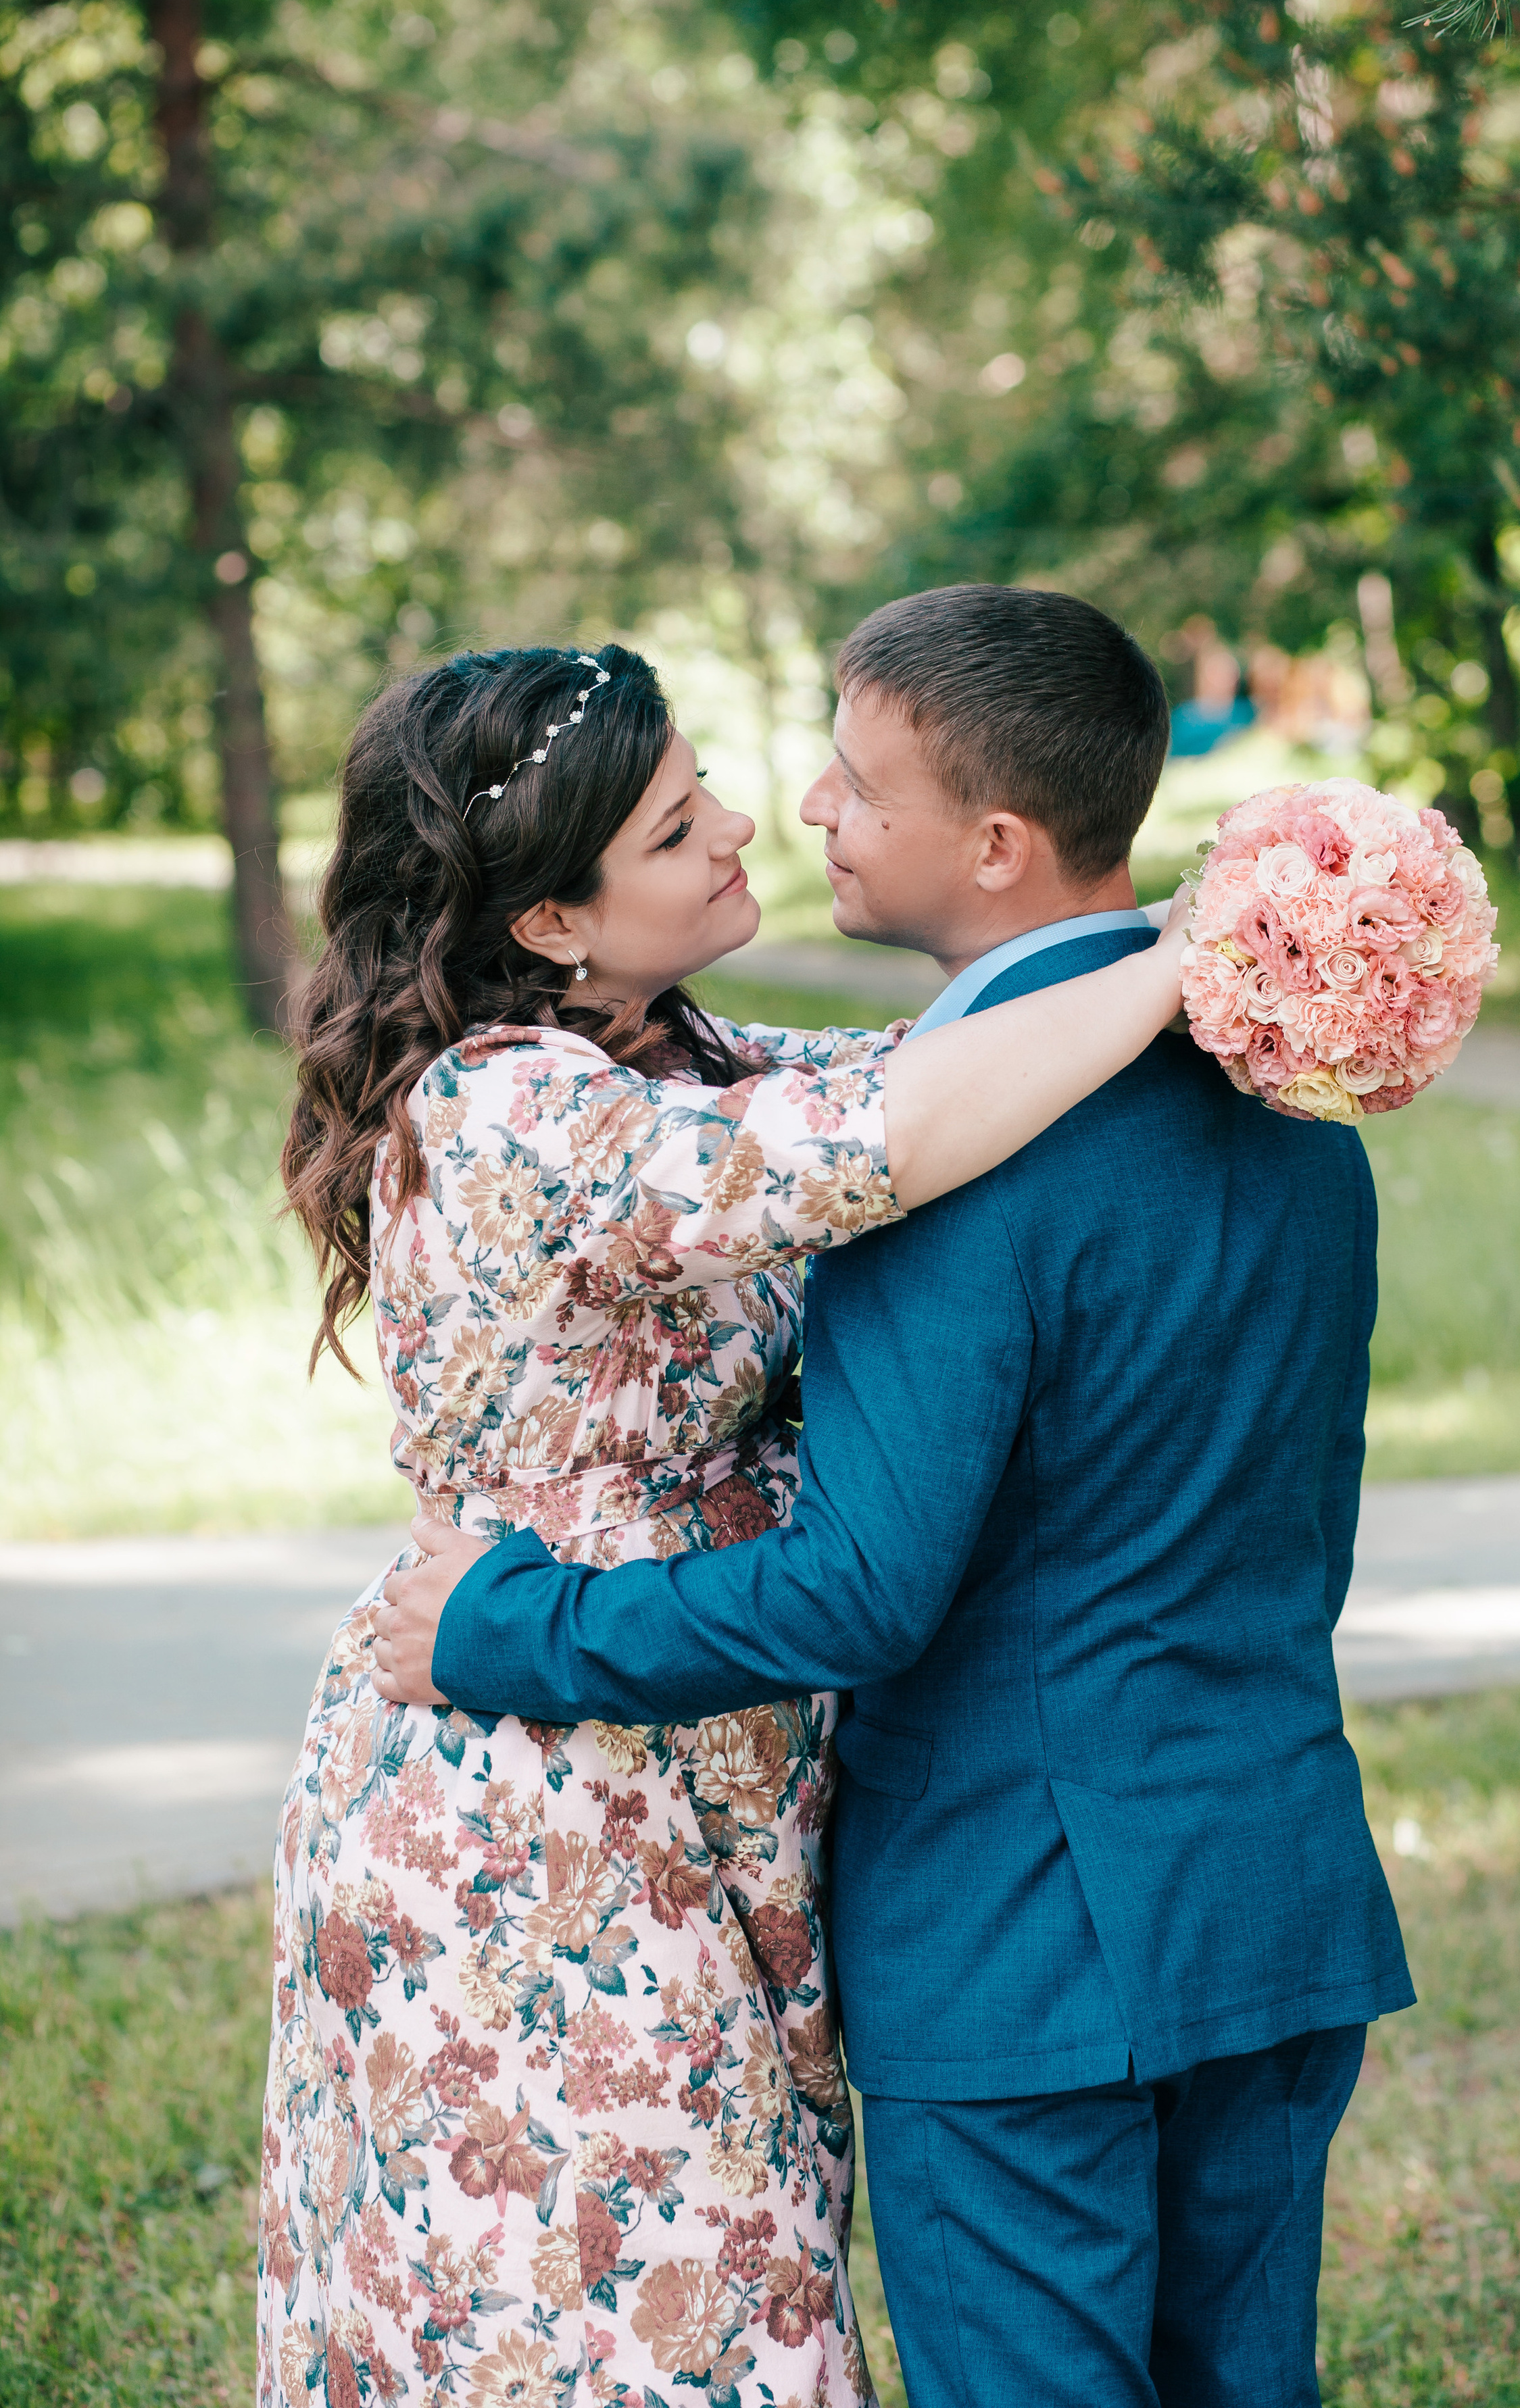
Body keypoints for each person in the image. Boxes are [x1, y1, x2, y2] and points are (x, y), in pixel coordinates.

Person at [377, 584, 1415, 2408]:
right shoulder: (1298, 1108)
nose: (803, 813)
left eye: (853, 780)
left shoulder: (934, 1167)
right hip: (1275, 1885)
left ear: (994, 845)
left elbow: (863, 1591)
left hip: (1022, 1939)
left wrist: (497, 1621)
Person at [263, 632, 1192, 2408]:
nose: (748, 829)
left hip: (703, 1745)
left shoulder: (671, 1048)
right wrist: (1184, 962)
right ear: (551, 920)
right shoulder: (503, 1102)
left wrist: (1281, 950)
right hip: (538, 1792)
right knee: (637, 2314)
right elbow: (879, 1142)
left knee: (728, 2266)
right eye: (685, 830)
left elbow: (933, 1068)